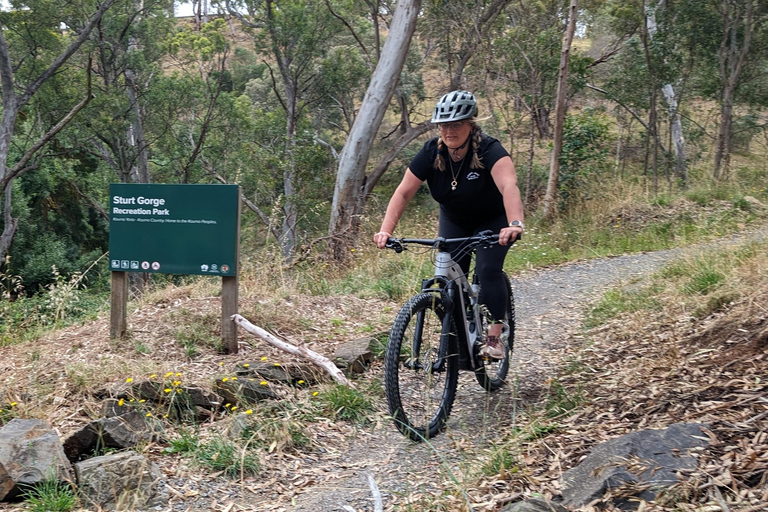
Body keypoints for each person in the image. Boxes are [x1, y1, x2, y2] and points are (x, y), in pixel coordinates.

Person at [373, 90, 524, 359]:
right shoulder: (432, 152)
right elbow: (403, 192)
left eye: (456, 124)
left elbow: (508, 185)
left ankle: (493, 336)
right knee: (447, 280)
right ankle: (457, 339)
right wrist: (386, 230)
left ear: (471, 124)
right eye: (443, 124)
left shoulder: (490, 150)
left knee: (489, 270)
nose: (448, 130)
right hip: (455, 220)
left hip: (493, 221)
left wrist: (514, 222)